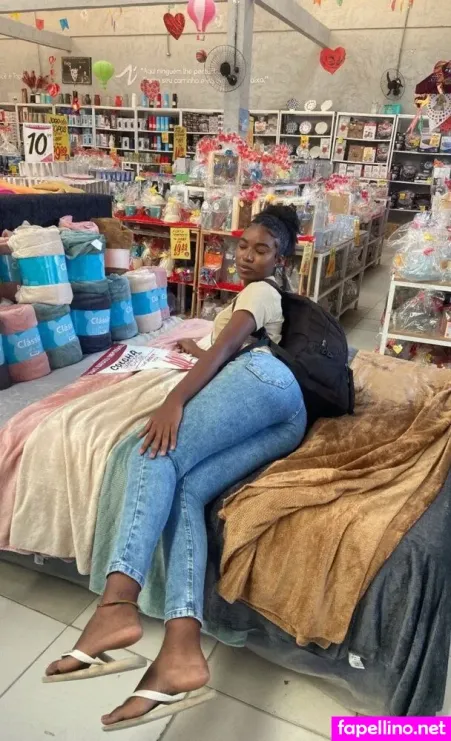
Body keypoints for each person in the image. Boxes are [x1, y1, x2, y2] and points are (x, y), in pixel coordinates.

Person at [45, 205, 308, 729]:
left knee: (151, 449)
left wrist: (174, 400)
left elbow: (228, 349)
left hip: (267, 381)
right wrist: (193, 345)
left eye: (261, 250)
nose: (246, 257)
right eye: (243, 246)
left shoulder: (260, 292)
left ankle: (116, 604)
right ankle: (181, 652)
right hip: (286, 416)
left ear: (280, 259)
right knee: (184, 490)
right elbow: (220, 345)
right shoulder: (255, 298)